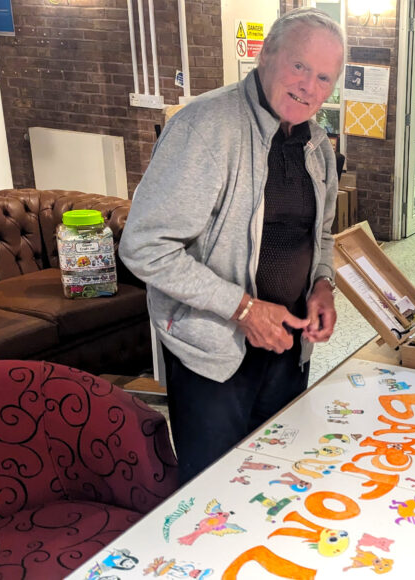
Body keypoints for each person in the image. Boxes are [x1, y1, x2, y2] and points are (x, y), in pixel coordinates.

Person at [119, 8, 345, 484]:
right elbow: (143, 247)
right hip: (214, 355)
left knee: (276, 482)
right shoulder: (204, 127)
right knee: (214, 495)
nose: (309, 87)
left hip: (288, 346)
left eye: (324, 77)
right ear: (266, 55)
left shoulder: (317, 145)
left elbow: (319, 235)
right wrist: (243, 310)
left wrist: (323, 283)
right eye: (299, 66)